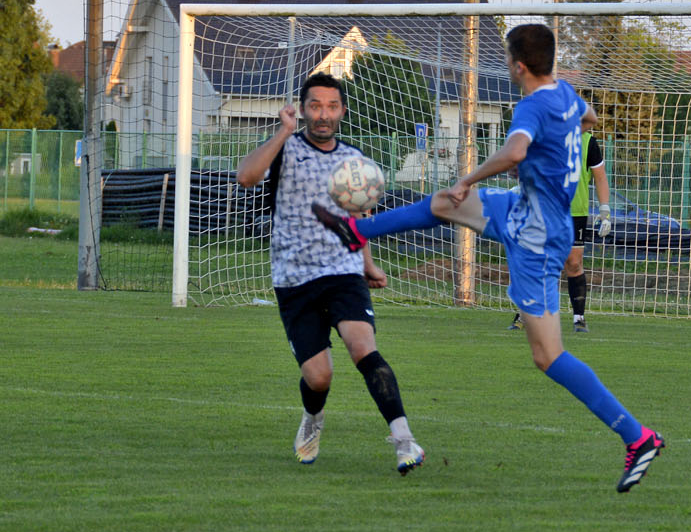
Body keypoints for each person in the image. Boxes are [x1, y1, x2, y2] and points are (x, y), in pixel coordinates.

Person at [311, 25, 663, 493]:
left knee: (548, 354)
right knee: (443, 203)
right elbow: (590, 117)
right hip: (522, 209)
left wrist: (471, 175)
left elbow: (516, 149)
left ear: (518, 65)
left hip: (539, 238)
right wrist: (553, 148)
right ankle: (357, 229)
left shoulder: (535, 103)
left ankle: (637, 436)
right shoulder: (567, 94)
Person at [236, 71, 425, 475]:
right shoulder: (286, 149)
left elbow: (359, 219)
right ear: (303, 110)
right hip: (294, 278)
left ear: (342, 110)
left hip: (343, 271)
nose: (323, 114)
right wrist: (281, 133)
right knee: (319, 378)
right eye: (315, 105)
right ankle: (312, 420)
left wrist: (369, 266)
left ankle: (405, 440)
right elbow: (245, 177)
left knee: (363, 346)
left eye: (332, 106)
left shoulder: (354, 161)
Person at [508, 130, 611, 333]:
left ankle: (579, 318)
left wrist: (605, 210)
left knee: (573, 263)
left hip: (575, 213)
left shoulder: (588, 141)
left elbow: (600, 177)